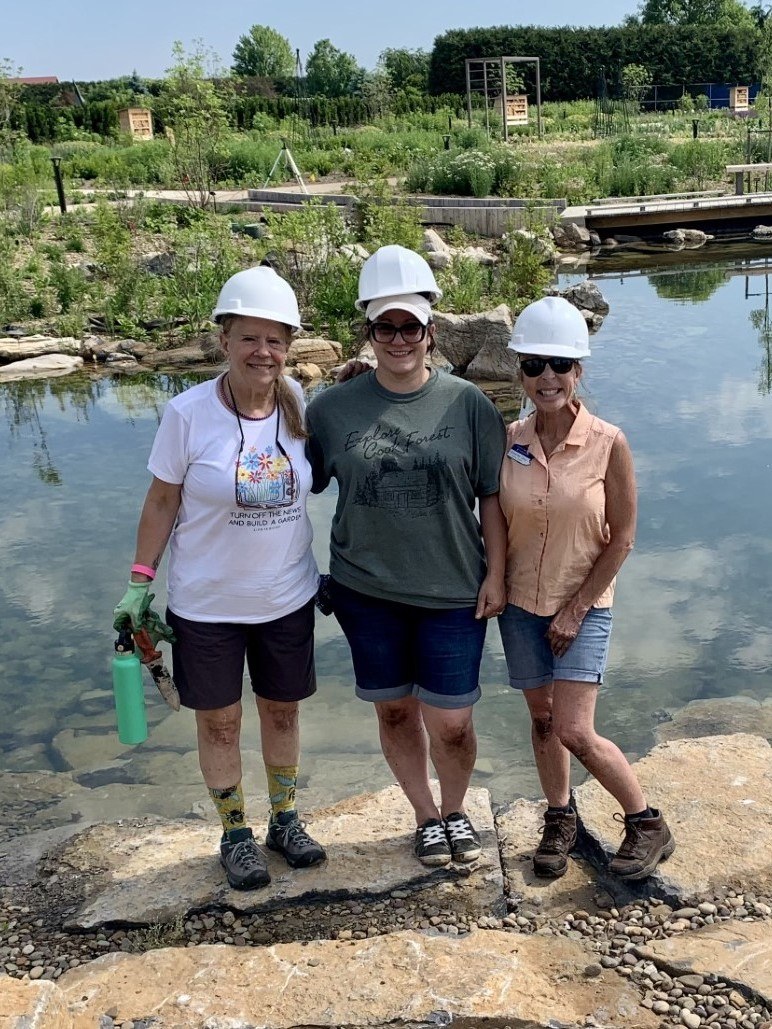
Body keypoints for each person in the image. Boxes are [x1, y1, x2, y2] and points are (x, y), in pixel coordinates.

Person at [113, 267, 326, 891]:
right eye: (249, 338)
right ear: (224, 339)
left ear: (290, 345)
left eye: (276, 340)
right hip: (206, 602)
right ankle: (235, 833)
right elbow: (160, 501)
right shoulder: (187, 414)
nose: (264, 353)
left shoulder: (298, 403)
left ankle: (284, 820)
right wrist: (139, 581)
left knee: (282, 713)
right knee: (220, 720)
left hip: (286, 594)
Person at [305, 245, 507, 868]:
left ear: (431, 331)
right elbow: (287, 488)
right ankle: (424, 818)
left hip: (452, 590)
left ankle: (455, 809)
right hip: (367, 592)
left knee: (452, 722)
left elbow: (493, 499)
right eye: (385, 327)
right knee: (395, 712)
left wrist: (497, 574)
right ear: (368, 332)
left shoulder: (468, 404)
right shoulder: (331, 410)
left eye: (410, 327)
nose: (398, 339)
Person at [497, 295, 675, 881]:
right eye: (533, 365)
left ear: (579, 371)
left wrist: (575, 609)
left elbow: (621, 538)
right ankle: (560, 816)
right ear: (520, 370)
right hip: (521, 604)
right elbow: (492, 517)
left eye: (559, 365)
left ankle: (647, 821)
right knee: (543, 720)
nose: (546, 377)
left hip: (584, 605)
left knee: (574, 727)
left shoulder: (608, 442)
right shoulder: (509, 438)